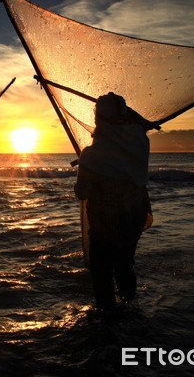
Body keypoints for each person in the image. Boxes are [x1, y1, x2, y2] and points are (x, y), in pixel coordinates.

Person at [74, 92, 153, 311]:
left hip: (104, 225)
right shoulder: (139, 142)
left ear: (98, 118)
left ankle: (108, 321)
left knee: (102, 272)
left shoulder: (91, 156)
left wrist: (84, 163)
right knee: (125, 264)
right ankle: (130, 307)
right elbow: (132, 131)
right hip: (134, 218)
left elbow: (81, 192)